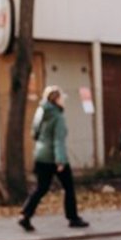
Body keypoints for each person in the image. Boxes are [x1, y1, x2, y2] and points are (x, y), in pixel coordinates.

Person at [18, 86, 89, 231]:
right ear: (56, 99)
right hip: (54, 157)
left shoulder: (41, 111)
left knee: (41, 187)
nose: (64, 101)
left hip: (40, 155)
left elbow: (34, 133)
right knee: (69, 187)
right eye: (62, 98)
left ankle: (26, 215)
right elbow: (58, 140)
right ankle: (73, 218)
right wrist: (61, 161)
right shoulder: (58, 116)